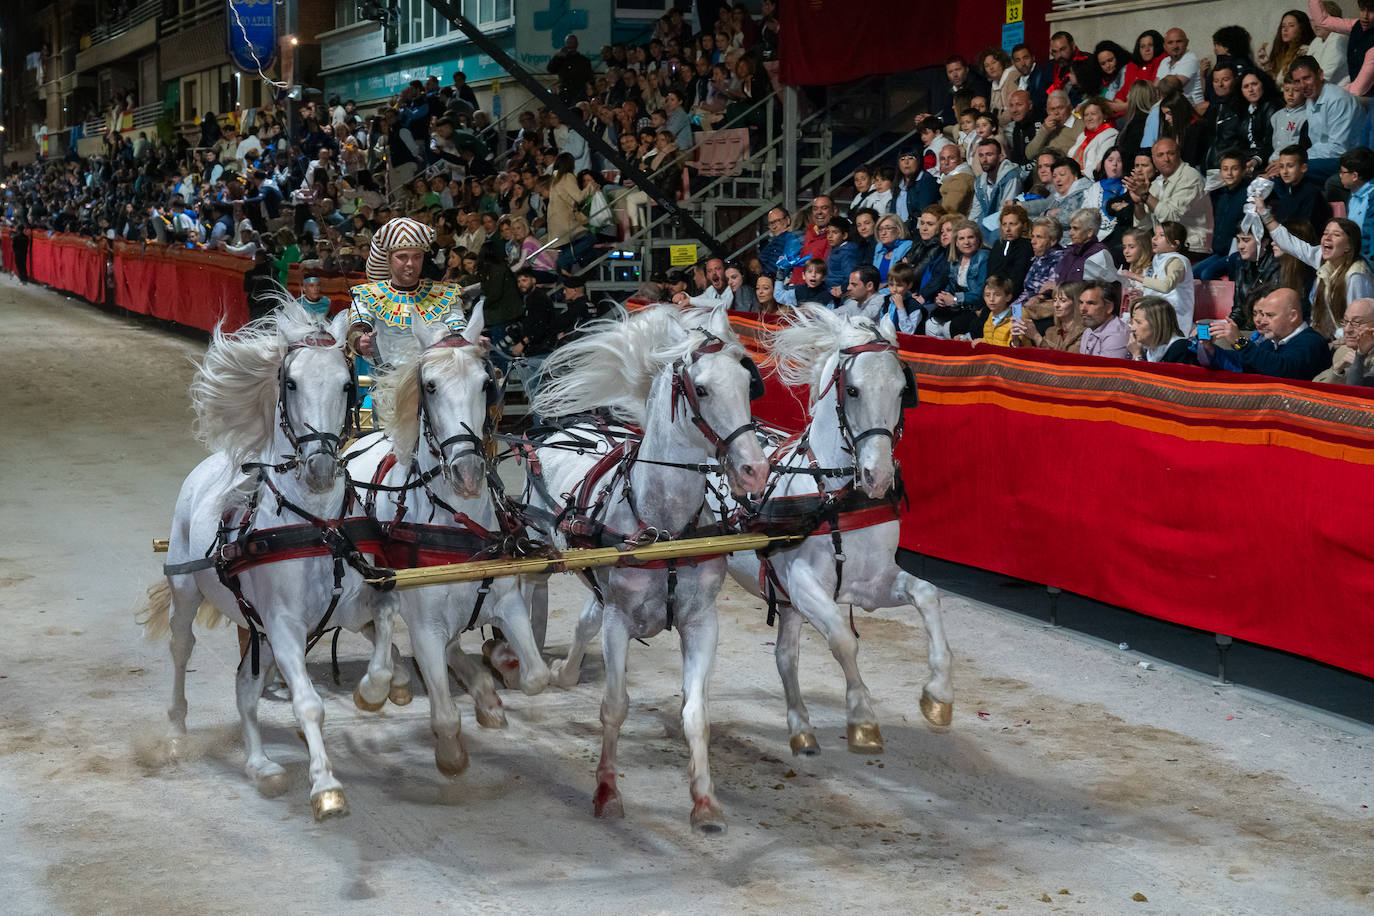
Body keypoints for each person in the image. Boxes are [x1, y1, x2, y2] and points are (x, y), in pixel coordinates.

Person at [347, 217, 467, 370]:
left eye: (417, 257)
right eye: (402, 257)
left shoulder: (446, 294)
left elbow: (458, 327)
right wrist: (359, 341)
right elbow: (358, 328)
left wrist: (467, 338)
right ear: (389, 259)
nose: (410, 263)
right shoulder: (367, 294)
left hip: (436, 379)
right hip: (385, 382)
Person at [1258, 196, 1372, 338]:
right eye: (1325, 233)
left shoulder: (1356, 275)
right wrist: (1264, 213)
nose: (1327, 238)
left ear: (1349, 246)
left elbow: (1361, 321)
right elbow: (1290, 243)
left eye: (1336, 235)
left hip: (1349, 341)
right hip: (1323, 336)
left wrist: (1339, 340)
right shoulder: (1323, 258)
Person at [1199, 286, 1332, 378]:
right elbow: (1247, 365)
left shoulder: (1312, 341)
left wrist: (1240, 341)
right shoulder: (1272, 342)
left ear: (1293, 316)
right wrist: (1213, 352)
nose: (1263, 321)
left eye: (1270, 315)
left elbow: (1282, 369)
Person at [1127, 136, 1212, 253]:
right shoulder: (1157, 183)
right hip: (1167, 247)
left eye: (1170, 153)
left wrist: (1146, 195)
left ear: (1178, 154)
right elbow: (1144, 226)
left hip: (1192, 248)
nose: (1166, 159)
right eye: (1160, 155)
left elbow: (1172, 219)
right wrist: (1139, 202)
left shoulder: (1190, 177)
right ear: (1154, 160)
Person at [1288, 55, 1365, 181]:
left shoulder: (1337, 99)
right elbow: (1318, 143)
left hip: (1350, 161)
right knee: (1279, 173)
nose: (1302, 85)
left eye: (1306, 78)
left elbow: (1339, 149)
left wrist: (1298, 159)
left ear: (1320, 74)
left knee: (1294, 171)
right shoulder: (1310, 101)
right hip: (1329, 159)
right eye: (1297, 81)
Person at [929, 220, 988, 338]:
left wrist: (955, 299)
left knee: (951, 327)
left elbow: (979, 293)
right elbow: (950, 286)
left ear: (978, 239)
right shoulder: (956, 261)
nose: (966, 242)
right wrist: (942, 297)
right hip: (960, 307)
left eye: (970, 237)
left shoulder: (984, 257)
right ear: (956, 242)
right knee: (930, 325)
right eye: (961, 238)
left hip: (976, 308)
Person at [1011, 217, 1066, 321]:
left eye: (1039, 237)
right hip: (1024, 307)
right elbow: (1026, 292)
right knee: (995, 319)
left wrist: (1015, 314)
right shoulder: (1039, 258)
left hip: (1040, 313)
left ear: (1053, 240)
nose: (1033, 241)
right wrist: (1011, 310)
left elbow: (1046, 293)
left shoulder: (1059, 259)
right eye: (1032, 236)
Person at [969, 138, 1023, 237]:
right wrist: (968, 231)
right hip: (988, 224)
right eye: (981, 155)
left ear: (1001, 157)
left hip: (1007, 226)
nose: (984, 160)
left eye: (989, 155)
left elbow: (1006, 212)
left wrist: (982, 230)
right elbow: (975, 212)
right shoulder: (979, 181)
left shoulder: (1011, 176)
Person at [1267, 144, 1332, 226]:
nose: (1285, 171)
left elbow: (1303, 232)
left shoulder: (1311, 193)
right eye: (1281, 166)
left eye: (1290, 166)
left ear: (1303, 168)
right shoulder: (1289, 191)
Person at [1014, 280, 1084, 352]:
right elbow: (1035, 357)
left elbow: (1067, 360)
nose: (1056, 305)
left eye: (1063, 300)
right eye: (1055, 300)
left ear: (1076, 303)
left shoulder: (1084, 333)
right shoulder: (1050, 332)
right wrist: (1016, 339)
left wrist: (1036, 337)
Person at [1315, 297, 1374, 381]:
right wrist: (1337, 370)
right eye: (1345, 321)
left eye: (1357, 322)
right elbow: (1315, 389)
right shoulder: (1343, 352)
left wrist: (1359, 364)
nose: (1347, 329)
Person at [1127, 296, 1192, 362]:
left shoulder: (1181, 349)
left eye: (1138, 322)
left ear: (1156, 324)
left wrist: (1137, 356)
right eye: (1133, 322)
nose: (1132, 328)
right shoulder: (1149, 349)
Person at [988, 206, 1033, 298]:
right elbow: (989, 275)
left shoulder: (1027, 247)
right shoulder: (998, 244)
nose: (1007, 229)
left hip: (1016, 300)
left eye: (1012, 224)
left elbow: (1018, 281)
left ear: (1023, 225)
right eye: (1004, 224)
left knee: (1016, 312)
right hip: (993, 298)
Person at [1065, 98, 1118, 176]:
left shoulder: (1110, 134)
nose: (1089, 118)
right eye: (1086, 115)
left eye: (1093, 114)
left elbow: (1100, 166)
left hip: (1089, 180)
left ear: (1104, 116)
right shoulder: (1083, 135)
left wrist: (1078, 174)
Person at [1338, 146, 1374, 262]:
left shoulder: (1371, 199)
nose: (1340, 175)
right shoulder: (1352, 195)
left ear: (1354, 176)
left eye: (1342, 172)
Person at [1026, 91, 1083, 160]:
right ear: (1047, 111)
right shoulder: (1046, 127)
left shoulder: (1081, 125)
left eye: (1060, 108)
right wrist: (1044, 131)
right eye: (1052, 109)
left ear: (1070, 107)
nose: (1056, 112)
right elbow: (1029, 154)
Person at [963, 274, 1016, 346]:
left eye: (997, 295)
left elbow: (1015, 347)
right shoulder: (990, 316)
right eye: (987, 295)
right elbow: (991, 341)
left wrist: (985, 342)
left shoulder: (1017, 314)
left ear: (1008, 297)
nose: (991, 299)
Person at [548, 34, 594, 104]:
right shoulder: (561, 59)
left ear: (576, 44)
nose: (570, 45)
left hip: (579, 92)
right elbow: (550, 69)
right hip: (564, 92)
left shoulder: (583, 61)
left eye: (572, 42)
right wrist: (558, 57)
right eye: (568, 42)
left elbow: (589, 77)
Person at [870, 214, 912, 285]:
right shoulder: (879, 247)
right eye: (880, 229)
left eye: (888, 228)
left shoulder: (906, 246)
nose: (883, 233)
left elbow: (899, 281)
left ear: (898, 230)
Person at [759, 206, 802, 276]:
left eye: (776, 221)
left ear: (787, 220)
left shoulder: (792, 238)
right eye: (770, 223)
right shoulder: (773, 241)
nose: (773, 226)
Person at [936, 144, 975, 214]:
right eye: (942, 159)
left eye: (951, 158)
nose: (946, 163)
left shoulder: (961, 179)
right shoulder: (953, 176)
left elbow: (949, 209)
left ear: (960, 159)